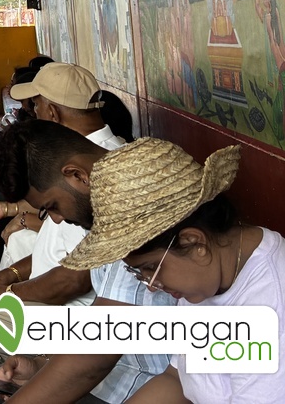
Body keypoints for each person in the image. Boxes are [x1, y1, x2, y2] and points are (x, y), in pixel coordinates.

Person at [0, 120, 175, 404]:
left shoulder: (134, 215)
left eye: (51, 207)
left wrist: (10, 292)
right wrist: (42, 364)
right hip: (106, 362)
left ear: (77, 175)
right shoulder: (108, 217)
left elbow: (95, 354)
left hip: (120, 377)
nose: (53, 219)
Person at [61, 137, 283, 404]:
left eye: (151, 268)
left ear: (194, 242)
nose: (153, 286)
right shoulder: (207, 276)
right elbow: (176, 378)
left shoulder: (270, 306)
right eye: (139, 274)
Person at [0, 63, 123, 372]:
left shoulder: (95, 173)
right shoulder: (88, 157)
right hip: (54, 296)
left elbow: (74, 279)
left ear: (54, 114)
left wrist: (8, 293)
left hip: (74, 309)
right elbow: (60, 248)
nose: (33, 115)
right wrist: (9, 277)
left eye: (36, 106)